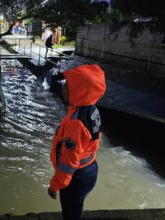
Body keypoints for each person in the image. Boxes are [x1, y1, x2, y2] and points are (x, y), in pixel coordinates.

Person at [48, 64, 106, 220]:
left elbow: (69, 162)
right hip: (89, 169)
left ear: (79, 90)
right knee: (76, 207)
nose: (62, 87)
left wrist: (55, 185)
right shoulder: (91, 109)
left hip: (76, 176)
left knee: (70, 212)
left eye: (67, 85)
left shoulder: (76, 123)